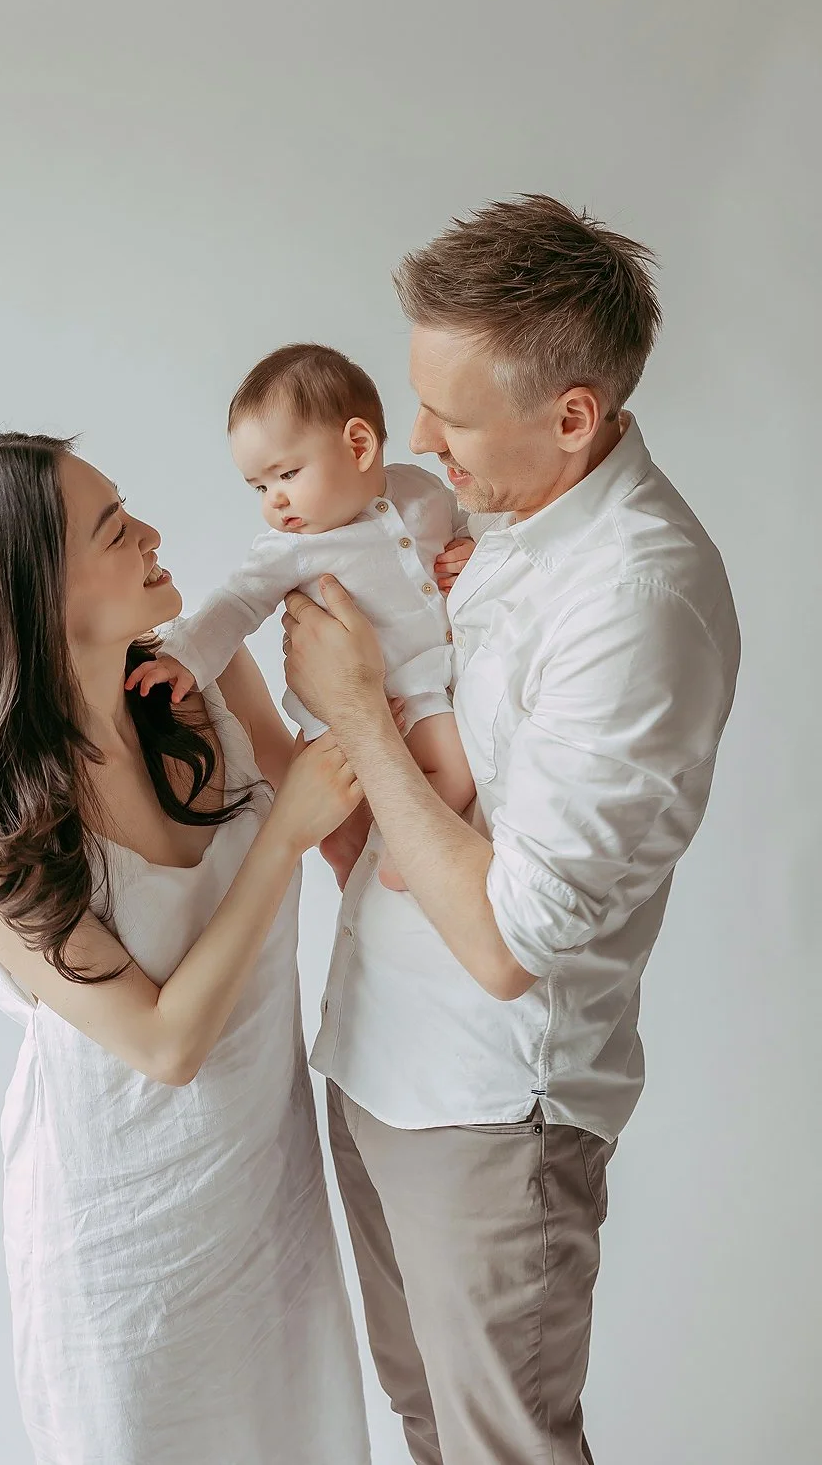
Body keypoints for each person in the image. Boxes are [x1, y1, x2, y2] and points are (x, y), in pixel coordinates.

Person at [280, 195, 741, 1464]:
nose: (417, 439)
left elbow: (506, 945)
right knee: (433, 1428)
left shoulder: (638, 599)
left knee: (500, 1449)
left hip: (488, 1107)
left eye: (450, 415)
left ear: (572, 418)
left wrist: (361, 720)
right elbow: (401, 837)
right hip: (375, 1061)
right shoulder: (491, 526)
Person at [0, 433, 371, 1465]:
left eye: (129, 508)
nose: (150, 534)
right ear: (32, 595)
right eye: (112, 530)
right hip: (125, 1256)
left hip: (267, 1213)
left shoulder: (203, 676)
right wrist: (281, 834)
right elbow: (160, 1044)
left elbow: (353, 835)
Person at [130, 342, 476, 890]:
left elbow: (463, 524)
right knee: (327, 817)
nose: (275, 501)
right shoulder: (289, 550)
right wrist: (186, 659)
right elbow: (237, 602)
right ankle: (348, 870)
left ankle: (401, 859)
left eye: (288, 473)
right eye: (261, 487)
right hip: (341, 712)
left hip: (423, 686)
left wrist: (468, 551)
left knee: (455, 768)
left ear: (359, 445)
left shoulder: (422, 488)